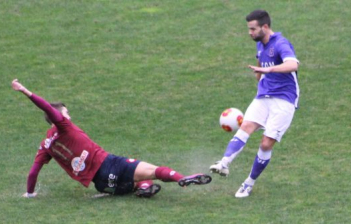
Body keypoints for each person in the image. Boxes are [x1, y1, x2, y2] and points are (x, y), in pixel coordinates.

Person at [11, 79, 212, 199]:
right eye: (66, 113)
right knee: (152, 171)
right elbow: (46, 107)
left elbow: (33, 171)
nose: (69, 116)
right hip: (109, 163)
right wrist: (25, 91)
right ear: (59, 116)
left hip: (101, 184)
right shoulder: (63, 125)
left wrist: (30, 193)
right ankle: (181, 178)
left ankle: (142, 187)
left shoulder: (46, 145)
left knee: (137, 182)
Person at [209, 9, 299, 198]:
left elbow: (293, 65)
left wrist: (269, 71)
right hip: (264, 96)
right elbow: (259, 61)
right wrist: (260, 77)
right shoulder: (260, 44)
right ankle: (224, 163)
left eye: (253, 29)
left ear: (265, 27)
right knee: (246, 126)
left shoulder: (281, 43)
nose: (250, 33)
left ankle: (248, 183)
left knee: (266, 144)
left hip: (284, 100)